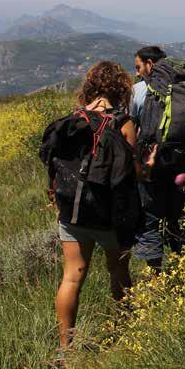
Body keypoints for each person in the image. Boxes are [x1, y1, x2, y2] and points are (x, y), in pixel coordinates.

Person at [42, 61, 155, 354]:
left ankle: (66, 349)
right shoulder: (123, 122)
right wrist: (149, 165)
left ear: (89, 86)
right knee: (118, 274)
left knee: (71, 277)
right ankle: (125, 336)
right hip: (111, 215)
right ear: (121, 88)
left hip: (73, 212)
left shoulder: (74, 118)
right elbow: (136, 173)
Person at [131, 46, 185, 272]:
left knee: (150, 220)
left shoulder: (139, 91)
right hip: (183, 169)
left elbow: (131, 130)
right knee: (181, 217)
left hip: (153, 169)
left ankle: (156, 277)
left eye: (138, 66)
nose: (138, 72)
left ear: (150, 64)